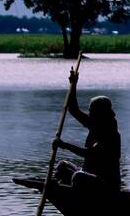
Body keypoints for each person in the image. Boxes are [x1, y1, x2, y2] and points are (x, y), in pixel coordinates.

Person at [52, 65, 121, 193]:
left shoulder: (111, 134)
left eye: (92, 112)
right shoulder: (95, 123)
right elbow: (73, 109)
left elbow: (89, 153)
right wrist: (73, 84)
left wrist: (64, 145)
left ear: (101, 113)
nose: (89, 114)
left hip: (106, 185)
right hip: (89, 175)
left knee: (78, 177)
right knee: (63, 166)